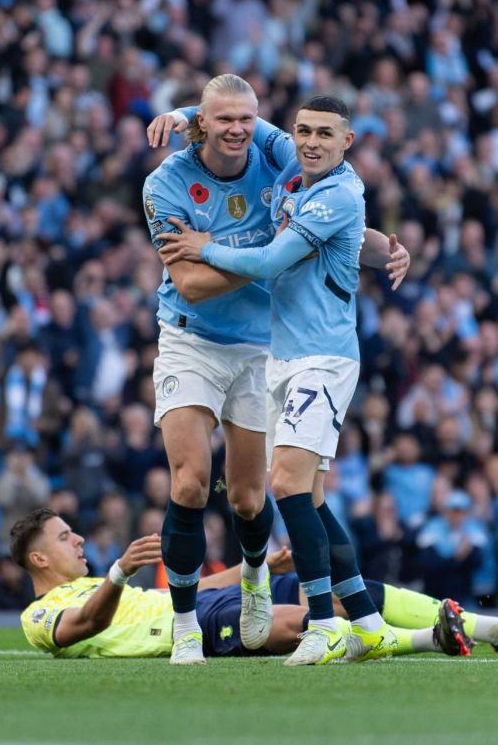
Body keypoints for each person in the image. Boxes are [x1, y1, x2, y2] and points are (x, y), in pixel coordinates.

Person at [160, 95, 498, 666]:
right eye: (304, 131)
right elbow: (235, 114)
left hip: (324, 358)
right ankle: (366, 622)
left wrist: (203, 246)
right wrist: (183, 112)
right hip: (282, 358)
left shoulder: (338, 193)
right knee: (310, 500)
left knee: (287, 484)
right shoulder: (288, 153)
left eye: (326, 134)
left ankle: (323, 625)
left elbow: (270, 262)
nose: (312, 141)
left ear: (349, 142)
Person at [141, 76, 407, 665]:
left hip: (265, 346)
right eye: (221, 120)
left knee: (248, 497)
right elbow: (190, 284)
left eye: (245, 119)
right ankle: (185, 624)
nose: (237, 129)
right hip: (193, 339)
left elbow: (327, 209)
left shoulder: (279, 151)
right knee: (189, 480)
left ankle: (258, 578)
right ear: (202, 125)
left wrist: (373, 244)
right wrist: (278, 250)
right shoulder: (165, 184)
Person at [12, 508, 498, 660]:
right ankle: (427, 639)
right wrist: (117, 571)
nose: (78, 539)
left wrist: (262, 571)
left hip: (197, 606)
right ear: (38, 558)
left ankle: (497, 628)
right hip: (185, 633)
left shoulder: (106, 584)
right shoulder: (40, 616)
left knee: (346, 588)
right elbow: (84, 626)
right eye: (64, 538)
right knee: (303, 623)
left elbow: (193, 591)